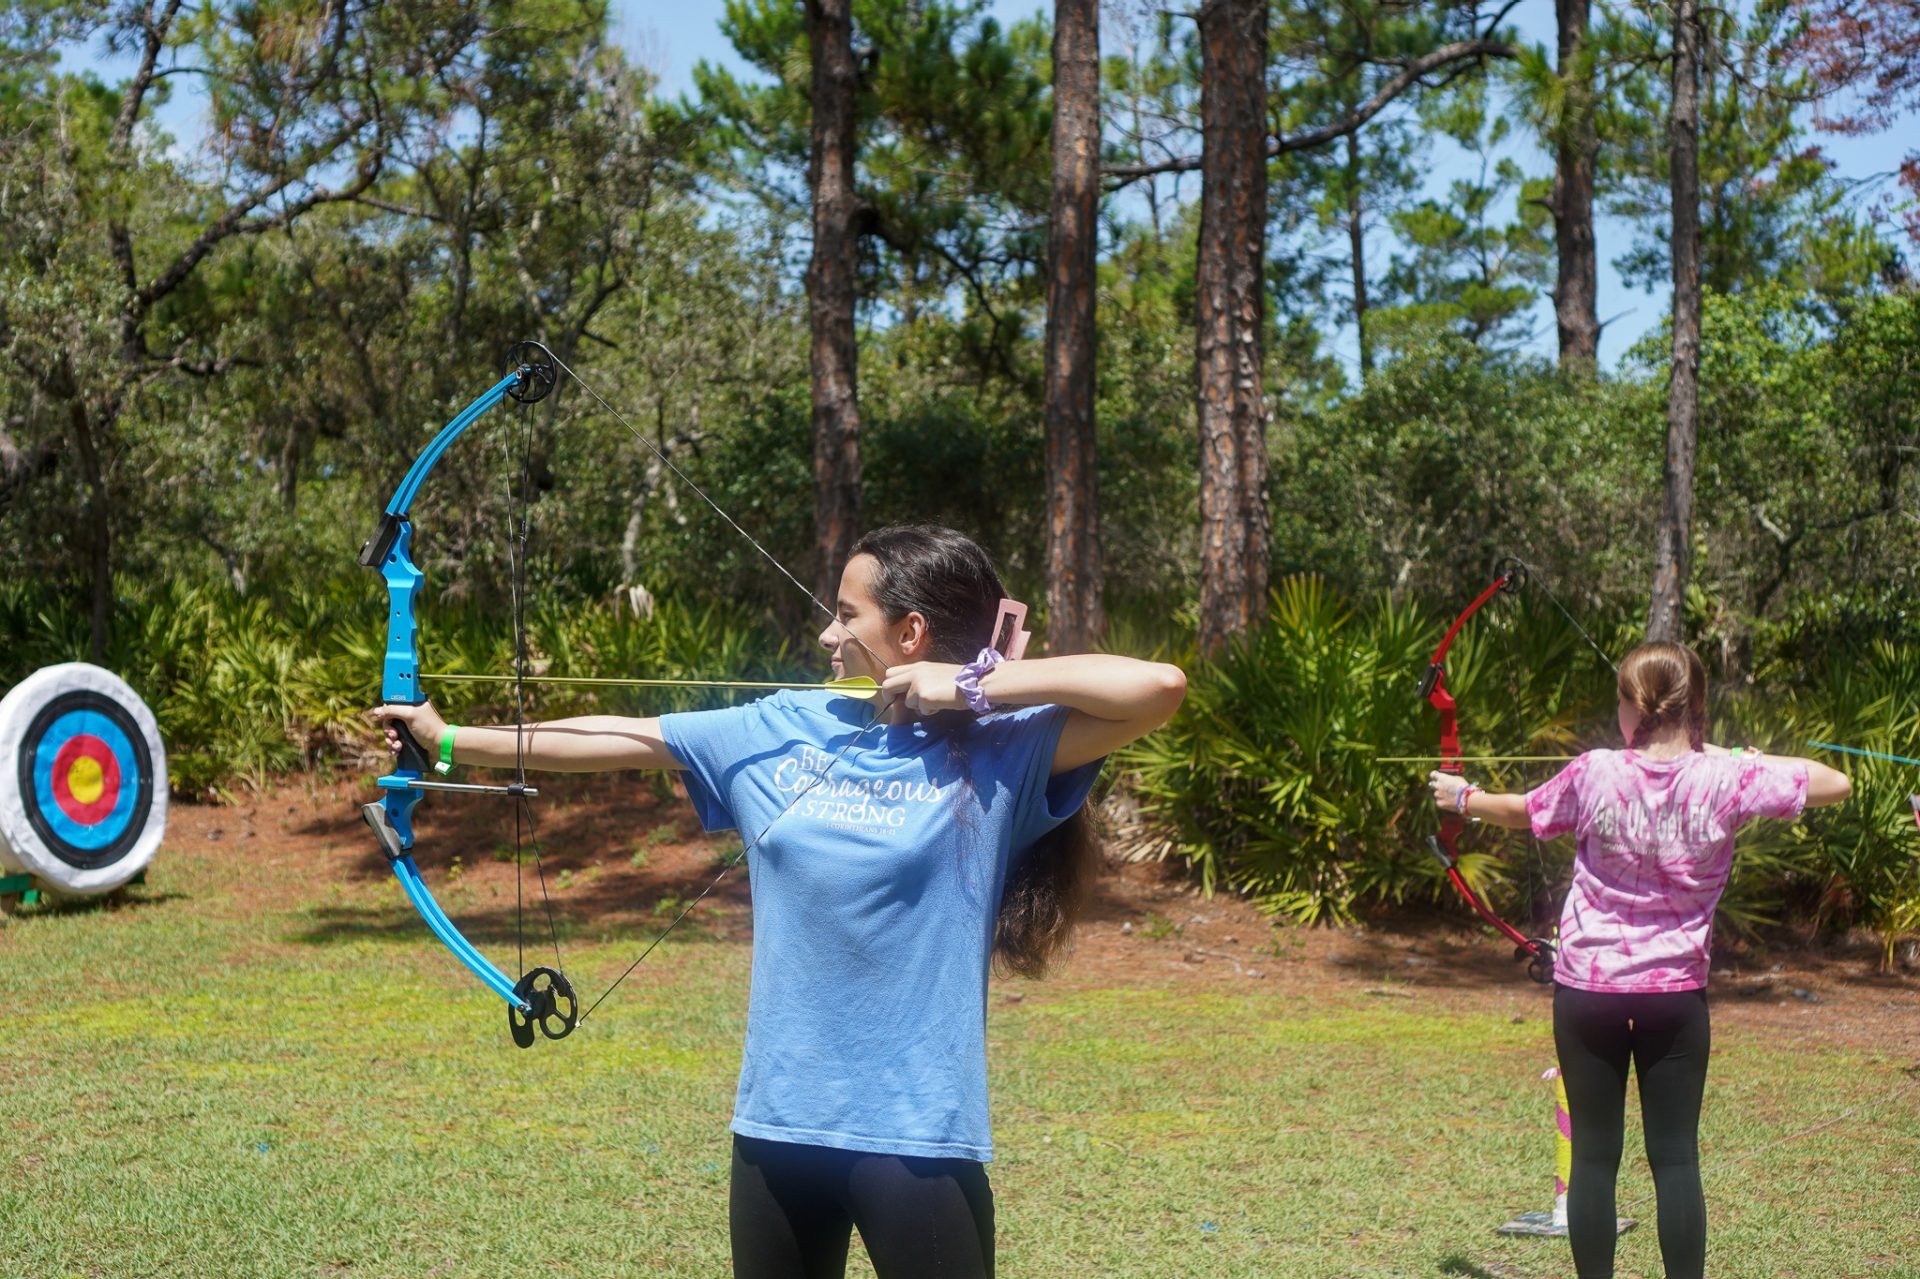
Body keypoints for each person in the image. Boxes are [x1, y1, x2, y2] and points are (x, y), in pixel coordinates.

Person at [371, 524, 1186, 1279]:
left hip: (917, 1137)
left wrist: (974, 683)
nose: (828, 634)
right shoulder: (780, 724)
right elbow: (626, 738)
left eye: (846, 614)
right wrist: (448, 740)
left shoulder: (1002, 747)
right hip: (777, 1128)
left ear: (911, 634)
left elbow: (1156, 685)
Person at [1427, 641, 1848, 1279]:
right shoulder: (1727, 776)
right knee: (1676, 1158)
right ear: (1695, 704)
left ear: (1632, 707)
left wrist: (1462, 797)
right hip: (1674, 996)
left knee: (1595, 1159)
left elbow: (1519, 812)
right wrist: (1738, 757)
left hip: (1588, 991)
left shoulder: (1597, 769)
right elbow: (1834, 782)